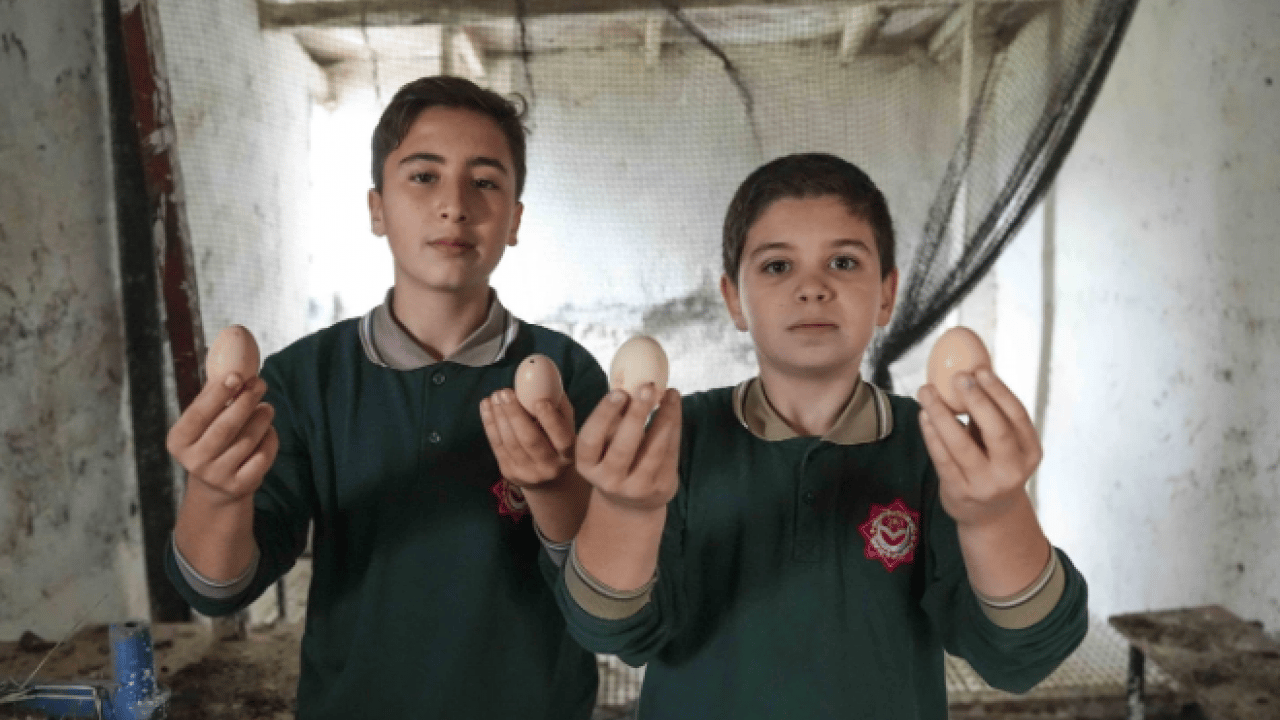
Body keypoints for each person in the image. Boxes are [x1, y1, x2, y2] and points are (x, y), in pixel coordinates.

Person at [556, 153, 1088, 719]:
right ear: (734, 299)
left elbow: (1021, 656)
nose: (812, 287)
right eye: (777, 266)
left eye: (843, 261)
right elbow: (612, 631)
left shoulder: (933, 450)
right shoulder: (675, 440)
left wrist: (997, 515)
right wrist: (624, 511)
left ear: (886, 295)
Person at [163, 76, 606, 719]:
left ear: (514, 219)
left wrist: (556, 489)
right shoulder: (306, 379)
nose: (454, 205)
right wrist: (215, 492)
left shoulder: (568, 377)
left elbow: (608, 586)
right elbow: (217, 588)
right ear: (377, 210)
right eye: (423, 176)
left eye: (485, 182)